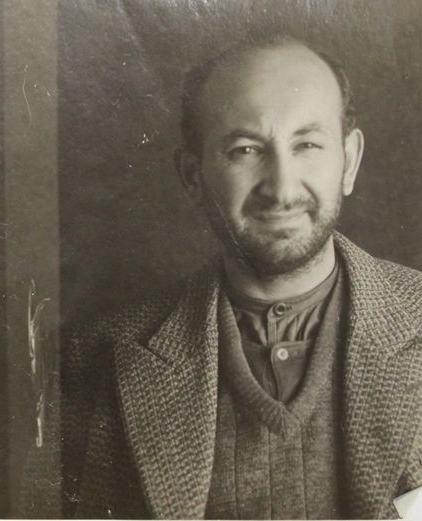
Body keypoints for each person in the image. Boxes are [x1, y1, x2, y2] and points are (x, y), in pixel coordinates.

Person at [62, 35, 422, 519]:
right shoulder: (99, 357)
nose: (282, 189)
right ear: (193, 176)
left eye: (307, 144)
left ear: (349, 161)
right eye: (246, 149)